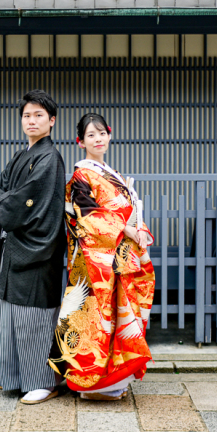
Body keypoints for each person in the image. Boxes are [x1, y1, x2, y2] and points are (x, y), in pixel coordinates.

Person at [49, 113, 155, 400]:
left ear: (110, 135)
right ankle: (91, 385)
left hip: (117, 258)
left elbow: (132, 211)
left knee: (118, 320)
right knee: (95, 321)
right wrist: (127, 230)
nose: (97, 139)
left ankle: (114, 381)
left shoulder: (114, 174)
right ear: (80, 142)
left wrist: (140, 230)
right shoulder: (81, 175)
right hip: (94, 262)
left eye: (101, 133)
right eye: (90, 135)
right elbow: (87, 216)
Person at [0, 89, 67, 405]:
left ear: (51, 120)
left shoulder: (50, 158)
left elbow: (27, 200)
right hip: (18, 247)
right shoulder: (22, 155)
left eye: (38, 115)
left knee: (33, 319)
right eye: (26, 115)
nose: (31, 120)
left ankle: (42, 381)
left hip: (36, 249)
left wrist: (1, 205)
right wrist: (1, 201)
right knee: (12, 318)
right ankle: (15, 377)